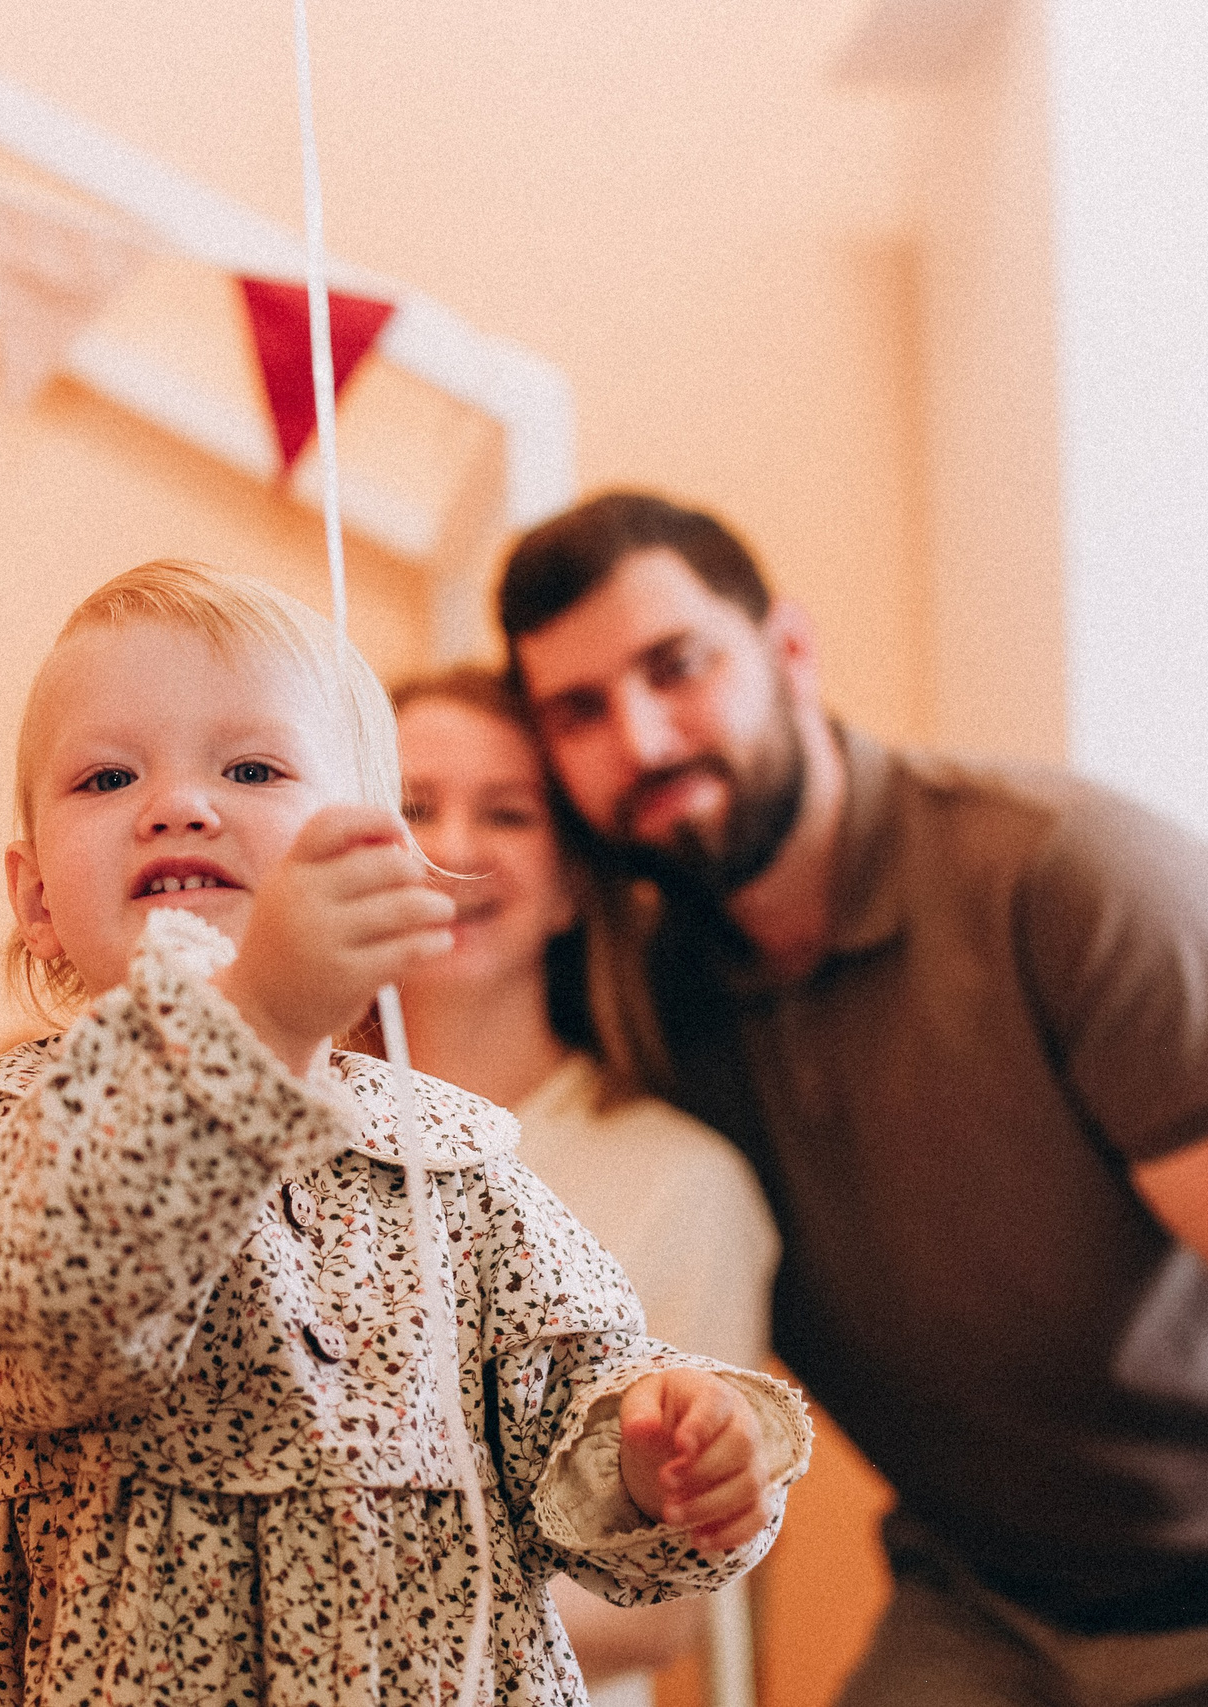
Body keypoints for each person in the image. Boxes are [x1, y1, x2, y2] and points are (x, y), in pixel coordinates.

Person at [494, 490, 1208, 1707]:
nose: (642, 740)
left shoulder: (1066, 875)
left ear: (789, 649)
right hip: (994, 1608)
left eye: (677, 668)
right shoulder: (644, 1001)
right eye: (578, 712)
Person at [0, 559, 810, 1705]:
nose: (178, 805)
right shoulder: (23, 1121)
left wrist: (645, 1453)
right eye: (107, 777)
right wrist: (258, 1013)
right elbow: (55, 1313)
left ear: (373, 859)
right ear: (37, 902)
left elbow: (561, 1405)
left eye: (251, 768)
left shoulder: (455, 1157)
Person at [389, 664, 780, 1707]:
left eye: (507, 814)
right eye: (412, 807)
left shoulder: (685, 1183)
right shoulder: (264, 1141)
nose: (454, 846)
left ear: (569, 883)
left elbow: (660, 1605)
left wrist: (334, 1612)